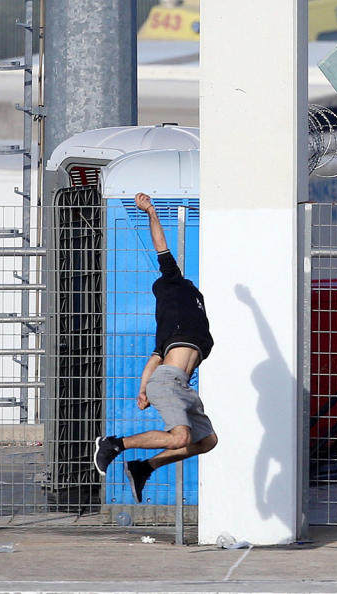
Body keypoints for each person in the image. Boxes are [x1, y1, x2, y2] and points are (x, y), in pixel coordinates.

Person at [93, 192, 217, 502]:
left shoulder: (186, 313)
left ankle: (144, 467)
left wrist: (142, 390)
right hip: (169, 382)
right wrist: (149, 210)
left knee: (207, 441)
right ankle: (114, 444)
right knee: (181, 437)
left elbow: (154, 358)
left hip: (183, 387)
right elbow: (161, 245)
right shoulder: (172, 289)